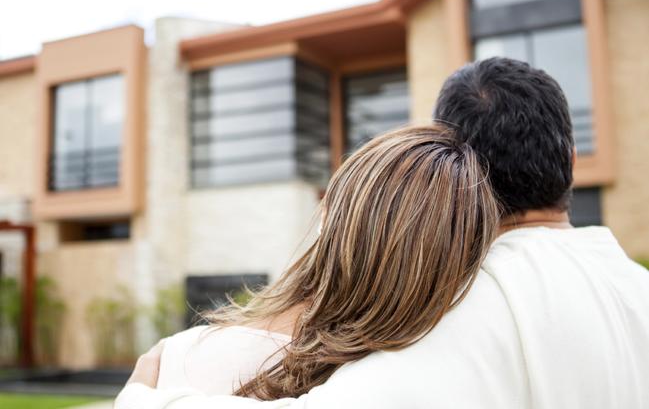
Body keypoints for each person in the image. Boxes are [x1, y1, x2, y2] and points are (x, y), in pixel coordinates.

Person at [116, 58, 649, 409]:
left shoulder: (463, 306)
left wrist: (145, 396)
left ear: (458, 174)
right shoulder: (636, 291)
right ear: (572, 162)